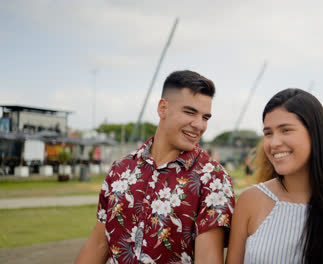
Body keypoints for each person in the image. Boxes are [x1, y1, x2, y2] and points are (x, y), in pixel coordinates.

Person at [75, 70, 235, 264]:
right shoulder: (121, 169)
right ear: (162, 108)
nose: (199, 125)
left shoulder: (213, 178)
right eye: (190, 112)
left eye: (205, 117)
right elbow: (99, 244)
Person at [227, 88, 323, 264]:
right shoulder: (250, 200)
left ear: (314, 134)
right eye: (268, 133)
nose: (274, 143)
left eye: (285, 130)